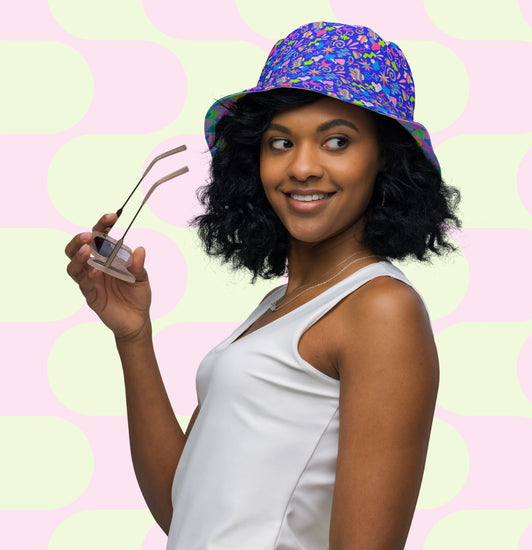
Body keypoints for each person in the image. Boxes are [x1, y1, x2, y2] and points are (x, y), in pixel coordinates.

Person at [65, 21, 460, 550]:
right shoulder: (278, 306)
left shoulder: (381, 309)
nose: (301, 167)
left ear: (384, 157)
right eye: (281, 142)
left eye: (336, 141)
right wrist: (134, 336)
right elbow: (184, 510)